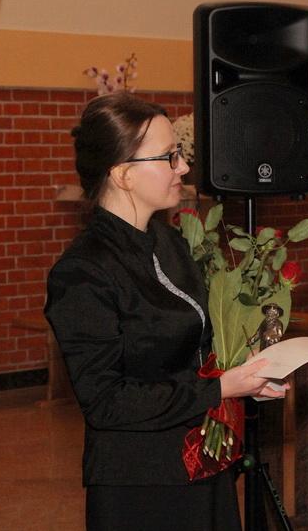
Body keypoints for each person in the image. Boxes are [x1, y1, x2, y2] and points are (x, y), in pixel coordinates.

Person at [45, 92, 285, 530]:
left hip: (200, 461)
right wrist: (218, 389)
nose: (184, 167)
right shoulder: (83, 271)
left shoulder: (169, 242)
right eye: (170, 156)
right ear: (123, 174)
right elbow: (106, 402)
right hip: (142, 483)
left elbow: (195, 348)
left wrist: (243, 374)